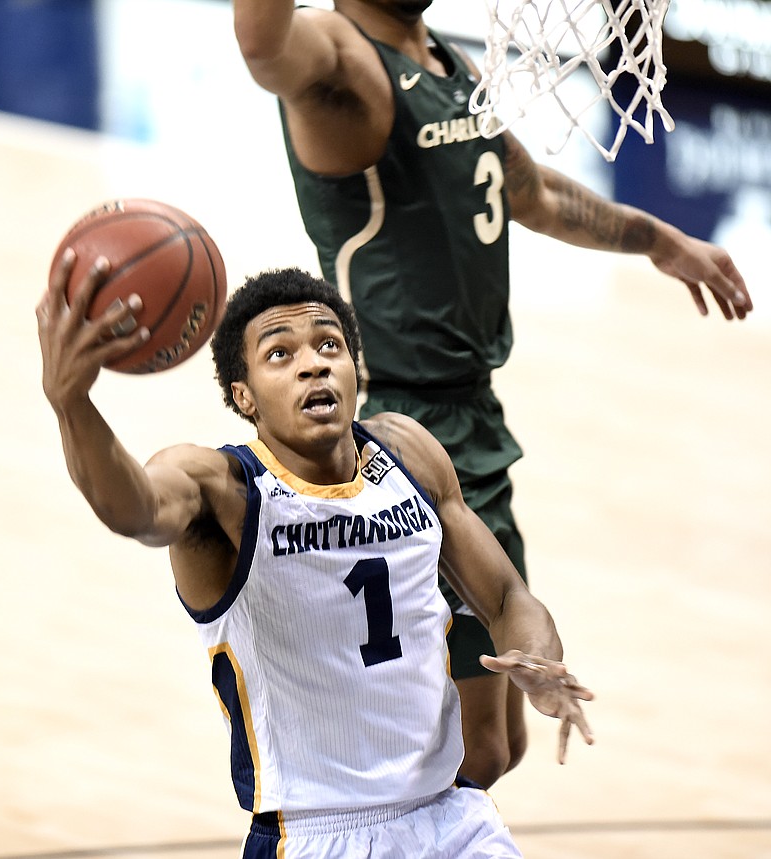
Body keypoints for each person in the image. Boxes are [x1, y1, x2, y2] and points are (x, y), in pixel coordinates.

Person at [229, 0, 754, 787]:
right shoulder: (343, 59)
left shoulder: (443, 60)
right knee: (457, 746)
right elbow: (263, 44)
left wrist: (659, 240)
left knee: (494, 745)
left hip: (469, 416)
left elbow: (534, 194)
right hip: (397, 425)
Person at [37, 257, 593, 858]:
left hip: (451, 818)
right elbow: (134, 509)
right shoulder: (221, 488)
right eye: (280, 354)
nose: (313, 363)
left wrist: (538, 662)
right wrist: (73, 406)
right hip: (315, 835)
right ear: (242, 396)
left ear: (356, 368)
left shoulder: (408, 451)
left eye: (329, 345)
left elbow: (507, 597)